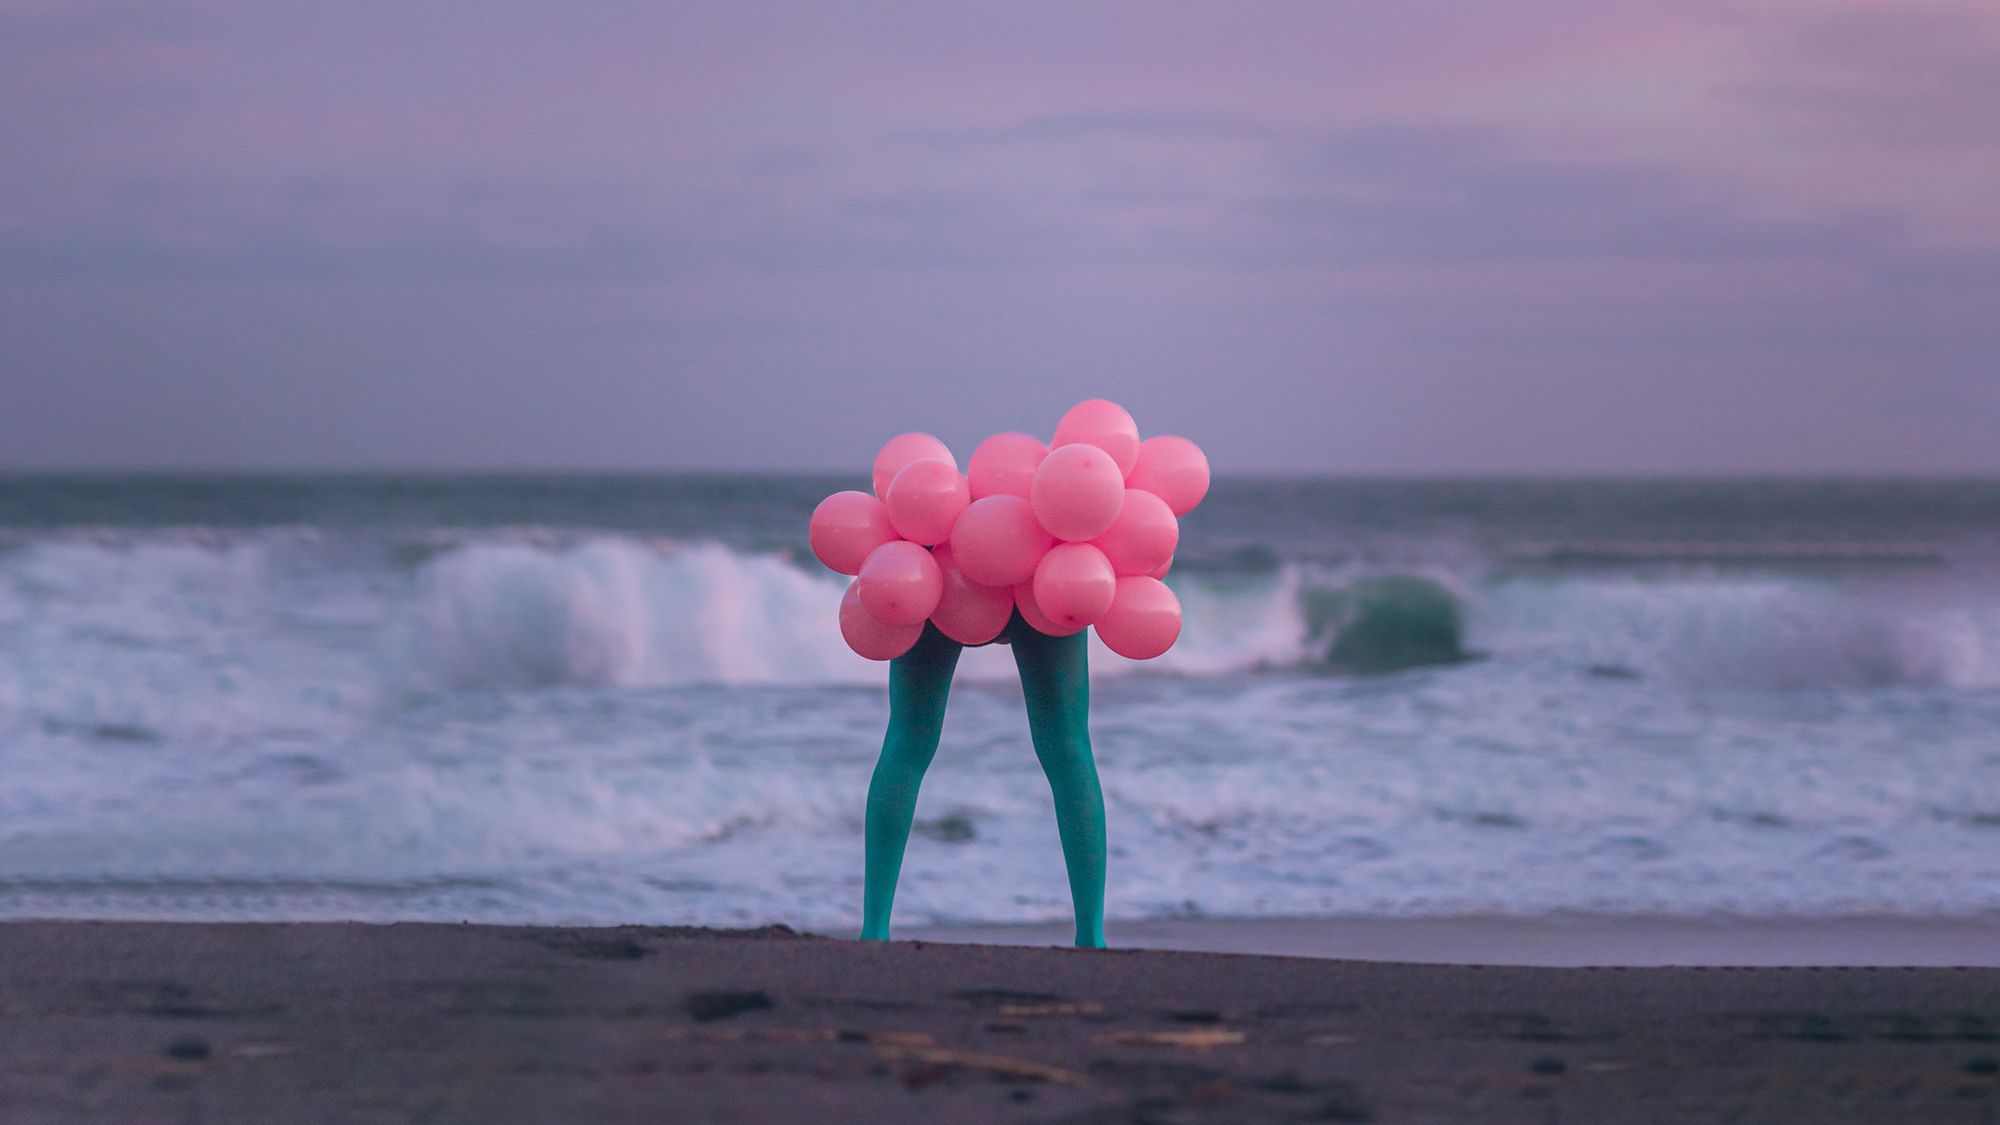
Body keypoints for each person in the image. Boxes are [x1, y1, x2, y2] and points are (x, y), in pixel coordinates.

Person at [858, 610, 1105, 948]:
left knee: (907, 741)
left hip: (940, 568)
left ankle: (874, 929)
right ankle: (1091, 936)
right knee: (1068, 746)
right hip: (1040, 574)